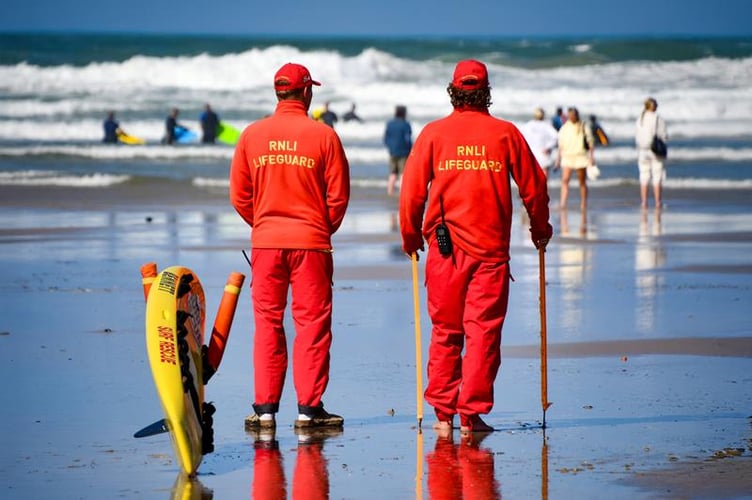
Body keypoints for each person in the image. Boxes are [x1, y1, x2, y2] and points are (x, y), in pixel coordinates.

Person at [399, 60, 552, 434]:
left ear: (453, 90)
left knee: (445, 331)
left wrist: (410, 237)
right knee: (483, 333)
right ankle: (470, 415)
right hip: (489, 251)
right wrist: (540, 228)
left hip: (443, 249)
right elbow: (535, 186)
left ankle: (442, 414)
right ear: (486, 91)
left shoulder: (434, 134)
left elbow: (411, 192)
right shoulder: (505, 134)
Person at [230, 62, 350, 431]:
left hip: (267, 244)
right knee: (312, 324)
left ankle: (265, 411)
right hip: (312, 244)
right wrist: (317, 228)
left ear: (278, 92)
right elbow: (339, 196)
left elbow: (239, 195)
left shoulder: (252, 135)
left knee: (268, 323)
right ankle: (308, 410)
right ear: (307, 92)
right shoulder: (324, 135)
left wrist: (265, 225)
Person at [556, 107, 594, 211]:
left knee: (582, 182)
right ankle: (563, 204)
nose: (571, 117)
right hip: (567, 157)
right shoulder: (565, 127)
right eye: (569, 115)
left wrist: (591, 158)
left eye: (572, 115)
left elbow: (590, 143)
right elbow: (560, 145)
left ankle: (583, 204)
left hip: (580, 157)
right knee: (565, 180)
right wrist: (558, 160)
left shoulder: (583, 126)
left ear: (576, 115)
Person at [635, 97, 668, 209]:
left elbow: (637, 136)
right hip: (655, 150)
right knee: (657, 176)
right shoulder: (658, 118)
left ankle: (644, 202)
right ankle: (658, 202)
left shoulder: (640, 118)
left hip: (642, 151)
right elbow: (663, 135)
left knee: (644, 176)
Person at [520, 107, 559, 177]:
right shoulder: (546, 125)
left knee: (532, 177)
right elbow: (556, 137)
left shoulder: (528, 125)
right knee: (544, 177)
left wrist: (524, 149)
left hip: (531, 154)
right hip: (543, 153)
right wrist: (548, 147)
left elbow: (520, 137)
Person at [383, 105, 412, 196]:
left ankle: (390, 192)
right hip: (403, 152)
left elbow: (386, 138)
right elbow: (408, 139)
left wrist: (390, 147)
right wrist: (410, 149)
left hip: (392, 152)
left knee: (392, 173)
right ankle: (402, 194)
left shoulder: (390, 124)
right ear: (404, 113)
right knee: (402, 174)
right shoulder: (406, 124)